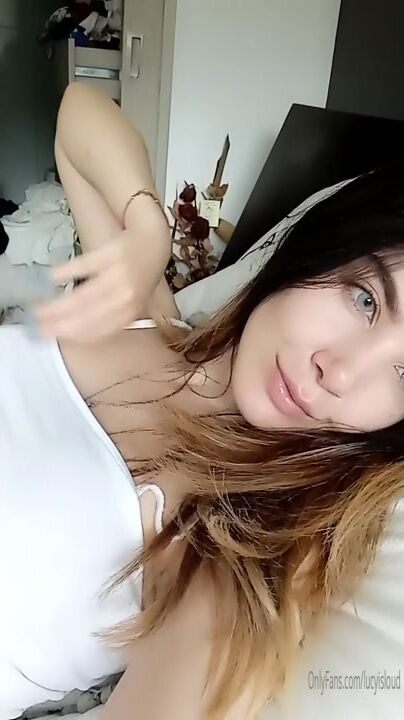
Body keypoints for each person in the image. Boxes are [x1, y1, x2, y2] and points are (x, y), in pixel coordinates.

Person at [2, 82, 404, 720]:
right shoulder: (141, 311)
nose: (341, 372)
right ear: (316, 251)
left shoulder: (224, 551)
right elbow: (78, 111)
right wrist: (147, 229)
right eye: (366, 299)